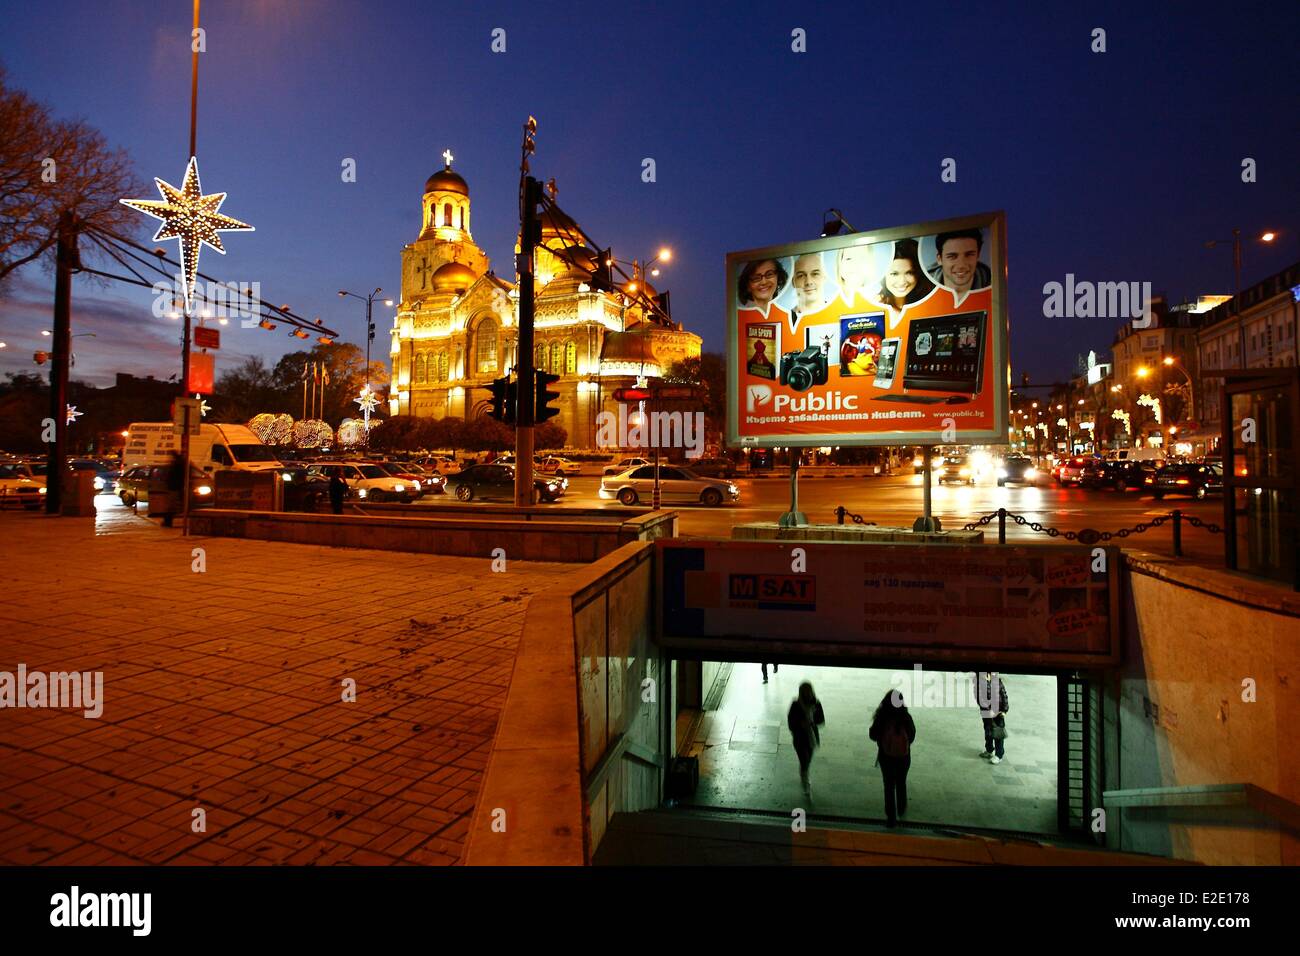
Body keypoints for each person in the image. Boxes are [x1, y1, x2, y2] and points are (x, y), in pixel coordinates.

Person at [868, 689, 917, 827]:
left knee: (889, 786)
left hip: (886, 757)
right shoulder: (906, 717)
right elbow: (912, 735)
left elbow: (873, 735)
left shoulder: (882, 717)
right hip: (903, 757)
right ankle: (901, 809)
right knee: (901, 783)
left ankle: (891, 818)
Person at [875, 238, 936, 331]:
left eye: (909, 273)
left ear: (919, 274)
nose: (902, 281)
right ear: (884, 275)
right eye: (894, 273)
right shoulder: (875, 305)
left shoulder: (930, 304)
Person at [927, 228, 991, 304]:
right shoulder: (924, 287)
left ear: (978, 255)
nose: (961, 265)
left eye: (969, 255)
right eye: (952, 256)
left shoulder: (995, 286)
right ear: (939, 259)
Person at [786, 681, 825, 797]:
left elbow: (821, 720)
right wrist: (800, 724)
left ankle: (804, 774)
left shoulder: (816, 704)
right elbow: (790, 723)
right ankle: (805, 782)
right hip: (799, 738)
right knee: (804, 760)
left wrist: (813, 721)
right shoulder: (795, 705)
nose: (808, 694)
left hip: (811, 737)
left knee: (808, 760)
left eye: (809, 692)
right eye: (805, 692)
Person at [737, 258, 789, 327]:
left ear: (778, 278)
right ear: (747, 286)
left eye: (769, 274)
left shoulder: (789, 316)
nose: (764, 282)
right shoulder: (738, 318)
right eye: (756, 278)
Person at [974, 671, 1009, 763]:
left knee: (998, 734)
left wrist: (1005, 710)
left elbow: (1004, 695)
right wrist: (988, 710)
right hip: (987, 713)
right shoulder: (978, 683)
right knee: (988, 732)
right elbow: (979, 698)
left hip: (998, 712)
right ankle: (989, 750)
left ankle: (999, 755)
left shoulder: (997, 681)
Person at [790, 252, 830, 324]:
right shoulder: (786, 318)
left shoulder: (836, 311)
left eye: (815, 274)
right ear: (793, 282)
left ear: (825, 278)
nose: (808, 282)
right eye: (801, 275)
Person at [160, 452, 184, 527]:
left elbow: (173, 477)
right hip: (175, 487)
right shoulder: (179, 464)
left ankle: (167, 522)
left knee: (171, 506)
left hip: (174, 487)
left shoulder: (176, 465)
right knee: (172, 506)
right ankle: (167, 521)